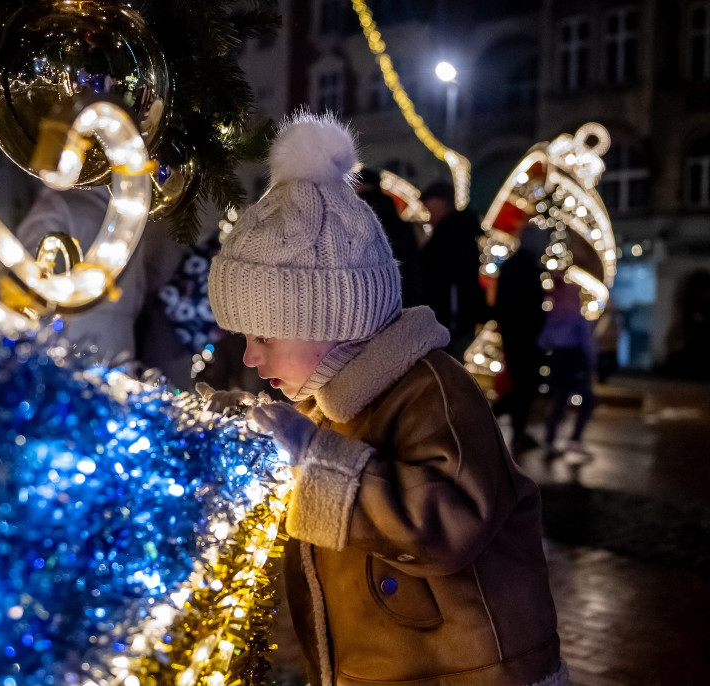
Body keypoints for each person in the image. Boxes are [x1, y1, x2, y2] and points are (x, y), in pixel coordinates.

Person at [202, 112, 565, 686]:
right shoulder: (323, 401)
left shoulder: (431, 389)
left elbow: (450, 521)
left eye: (264, 336)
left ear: (331, 320)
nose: (249, 357)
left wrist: (314, 459)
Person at [493, 223, 548, 453]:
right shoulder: (524, 267)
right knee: (524, 384)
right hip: (522, 336)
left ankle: (514, 429)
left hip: (519, 334)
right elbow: (521, 305)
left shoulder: (518, 266)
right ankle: (494, 419)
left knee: (523, 384)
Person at [420, 180, 488, 358]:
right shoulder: (457, 232)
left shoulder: (451, 236)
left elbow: (454, 278)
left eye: (429, 209)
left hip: (451, 317)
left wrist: (452, 317)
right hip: (454, 316)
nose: (428, 217)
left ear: (441, 203)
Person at [539, 274, 597, 458]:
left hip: (558, 358)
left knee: (559, 400)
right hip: (574, 359)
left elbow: (543, 340)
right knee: (586, 401)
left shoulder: (554, 313)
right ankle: (575, 440)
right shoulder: (576, 315)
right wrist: (592, 361)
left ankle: (549, 440)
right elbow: (586, 341)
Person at [353, 168, 423, 306]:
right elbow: (413, 272)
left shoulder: (356, 220)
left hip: (365, 302)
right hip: (399, 300)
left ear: (360, 185)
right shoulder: (401, 226)